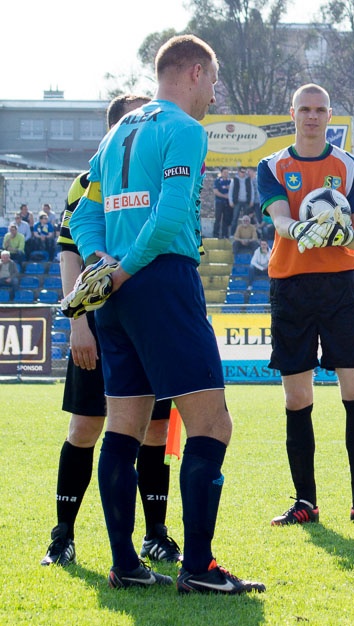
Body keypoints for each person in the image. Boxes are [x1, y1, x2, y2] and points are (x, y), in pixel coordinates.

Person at [69, 34, 264, 594]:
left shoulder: (115, 133)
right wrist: (126, 266)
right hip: (159, 280)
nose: (213, 95)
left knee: (123, 426)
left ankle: (126, 564)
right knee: (212, 423)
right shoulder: (182, 129)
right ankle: (199, 568)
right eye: (214, 82)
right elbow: (174, 210)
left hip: (114, 294)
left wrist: (102, 265)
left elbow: (83, 215)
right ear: (196, 72)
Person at [40, 94, 183, 569]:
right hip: (102, 321)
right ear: (118, 128)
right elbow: (69, 253)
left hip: (153, 319)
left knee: (156, 430)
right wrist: (79, 321)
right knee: (86, 427)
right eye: (137, 119)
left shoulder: (159, 175)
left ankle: (156, 533)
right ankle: (63, 535)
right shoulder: (91, 180)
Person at [256, 83, 354, 530]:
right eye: (304, 109)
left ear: (329, 114)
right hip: (291, 286)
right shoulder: (272, 166)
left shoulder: (350, 167)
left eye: (319, 110)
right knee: (298, 398)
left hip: (340, 286)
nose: (312, 116)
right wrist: (301, 231)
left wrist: (339, 236)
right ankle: (305, 502)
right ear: (292, 112)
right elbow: (278, 218)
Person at [228, 167, 251, 233]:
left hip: (246, 201)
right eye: (242, 172)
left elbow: (251, 190)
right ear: (238, 172)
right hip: (237, 202)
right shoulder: (234, 180)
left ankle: (246, 233)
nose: (243, 173)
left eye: (244, 172)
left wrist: (251, 200)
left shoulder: (248, 179)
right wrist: (231, 201)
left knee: (246, 219)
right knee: (235, 218)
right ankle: (232, 233)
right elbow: (231, 191)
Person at [212, 168, 232, 239]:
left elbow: (233, 191)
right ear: (221, 173)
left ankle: (225, 235)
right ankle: (215, 234)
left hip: (227, 203)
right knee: (218, 218)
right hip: (219, 202)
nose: (226, 174)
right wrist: (225, 196)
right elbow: (215, 191)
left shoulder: (230, 181)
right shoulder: (217, 181)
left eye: (227, 172)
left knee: (226, 219)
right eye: (224, 172)